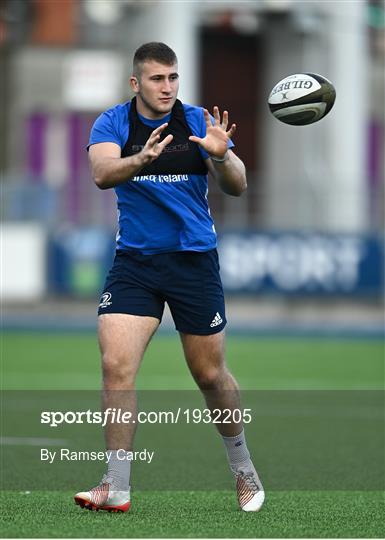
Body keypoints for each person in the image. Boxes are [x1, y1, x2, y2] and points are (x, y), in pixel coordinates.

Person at [74, 42, 264, 513]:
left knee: (209, 374)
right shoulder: (113, 122)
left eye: (173, 77)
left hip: (193, 261)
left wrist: (221, 157)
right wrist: (141, 159)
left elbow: (237, 186)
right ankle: (116, 485)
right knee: (116, 367)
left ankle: (244, 470)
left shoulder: (198, 121)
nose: (167, 87)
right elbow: (101, 173)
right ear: (136, 83)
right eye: (157, 79)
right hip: (135, 263)